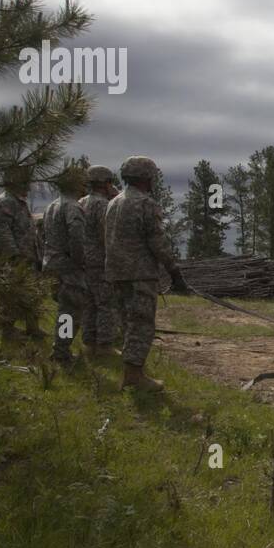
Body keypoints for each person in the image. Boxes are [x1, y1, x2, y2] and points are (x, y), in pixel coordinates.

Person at [106, 156, 185, 392]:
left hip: (117, 274)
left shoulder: (114, 202)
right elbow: (157, 242)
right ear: (146, 178)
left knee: (127, 322)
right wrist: (174, 271)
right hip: (139, 274)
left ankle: (131, 372)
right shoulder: (145, 204)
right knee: (141, 324)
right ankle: (134, 375)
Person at [0, 165, 46, 340]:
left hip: (26, 257)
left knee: (30, 294)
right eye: (25, 182)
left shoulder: (18, 202)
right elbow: (3, 232)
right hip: (12, 259)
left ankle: (33, 327)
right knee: (9, 296)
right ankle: (7, 331)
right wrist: (14, 256)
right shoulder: (5, 202)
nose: (29, 186)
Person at [43, 167, 89, 364]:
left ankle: (60, 349)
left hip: (52, 264)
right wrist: (80, 262)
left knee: (65, 310)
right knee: (69, 313)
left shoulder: (51, 206)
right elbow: (77, 238)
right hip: (68, 267)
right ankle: (61, 352)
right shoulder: (73, 207)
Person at [78, 165, 120, 357]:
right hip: (100, 261)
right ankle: (104, 346)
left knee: (89, 304)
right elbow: (106, 235)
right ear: (106, 183)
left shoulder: (81, 202)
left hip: (83, 261)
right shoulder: (102, 205)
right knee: (105, 304)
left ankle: (89, 344)